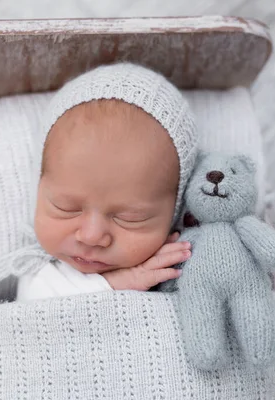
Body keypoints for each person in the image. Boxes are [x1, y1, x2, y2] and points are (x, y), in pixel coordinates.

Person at [17, 62, 198, 301]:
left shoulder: (182, 263)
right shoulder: (42, 273)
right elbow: (32, 310)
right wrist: (118, 283)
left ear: (175, 211)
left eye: (130, 218)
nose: (91, 236)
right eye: (66, 207)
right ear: (38, 187)